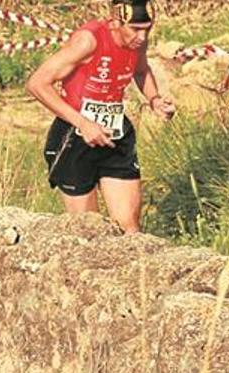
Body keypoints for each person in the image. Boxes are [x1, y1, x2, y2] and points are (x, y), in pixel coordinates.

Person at [26, 0, 175, 233]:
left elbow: (141, 69)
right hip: (74, 137)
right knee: (90, 232)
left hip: (115, 134)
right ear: (115, 22)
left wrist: (154, 99)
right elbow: (37, 83)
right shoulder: (89, 41)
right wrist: (83, 123)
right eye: (136, 29)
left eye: (148, 28)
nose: (143, 37)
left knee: (130, 230)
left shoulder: (137, 43)